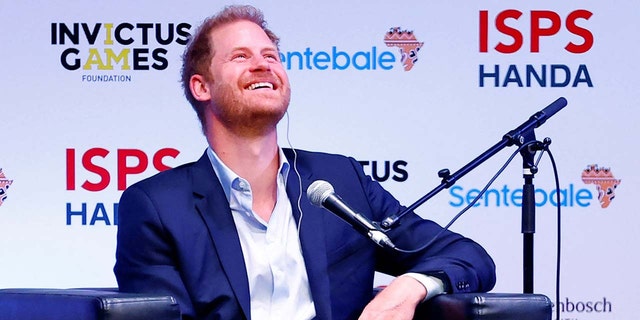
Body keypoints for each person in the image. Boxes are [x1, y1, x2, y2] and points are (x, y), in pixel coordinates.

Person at [114, 5, 496, 320]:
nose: (263, 65)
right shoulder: (156, 206)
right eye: (240, 56)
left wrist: (409, 286)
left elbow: (468, 256)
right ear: (202, 87)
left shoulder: (341, 181)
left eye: (271, 56)